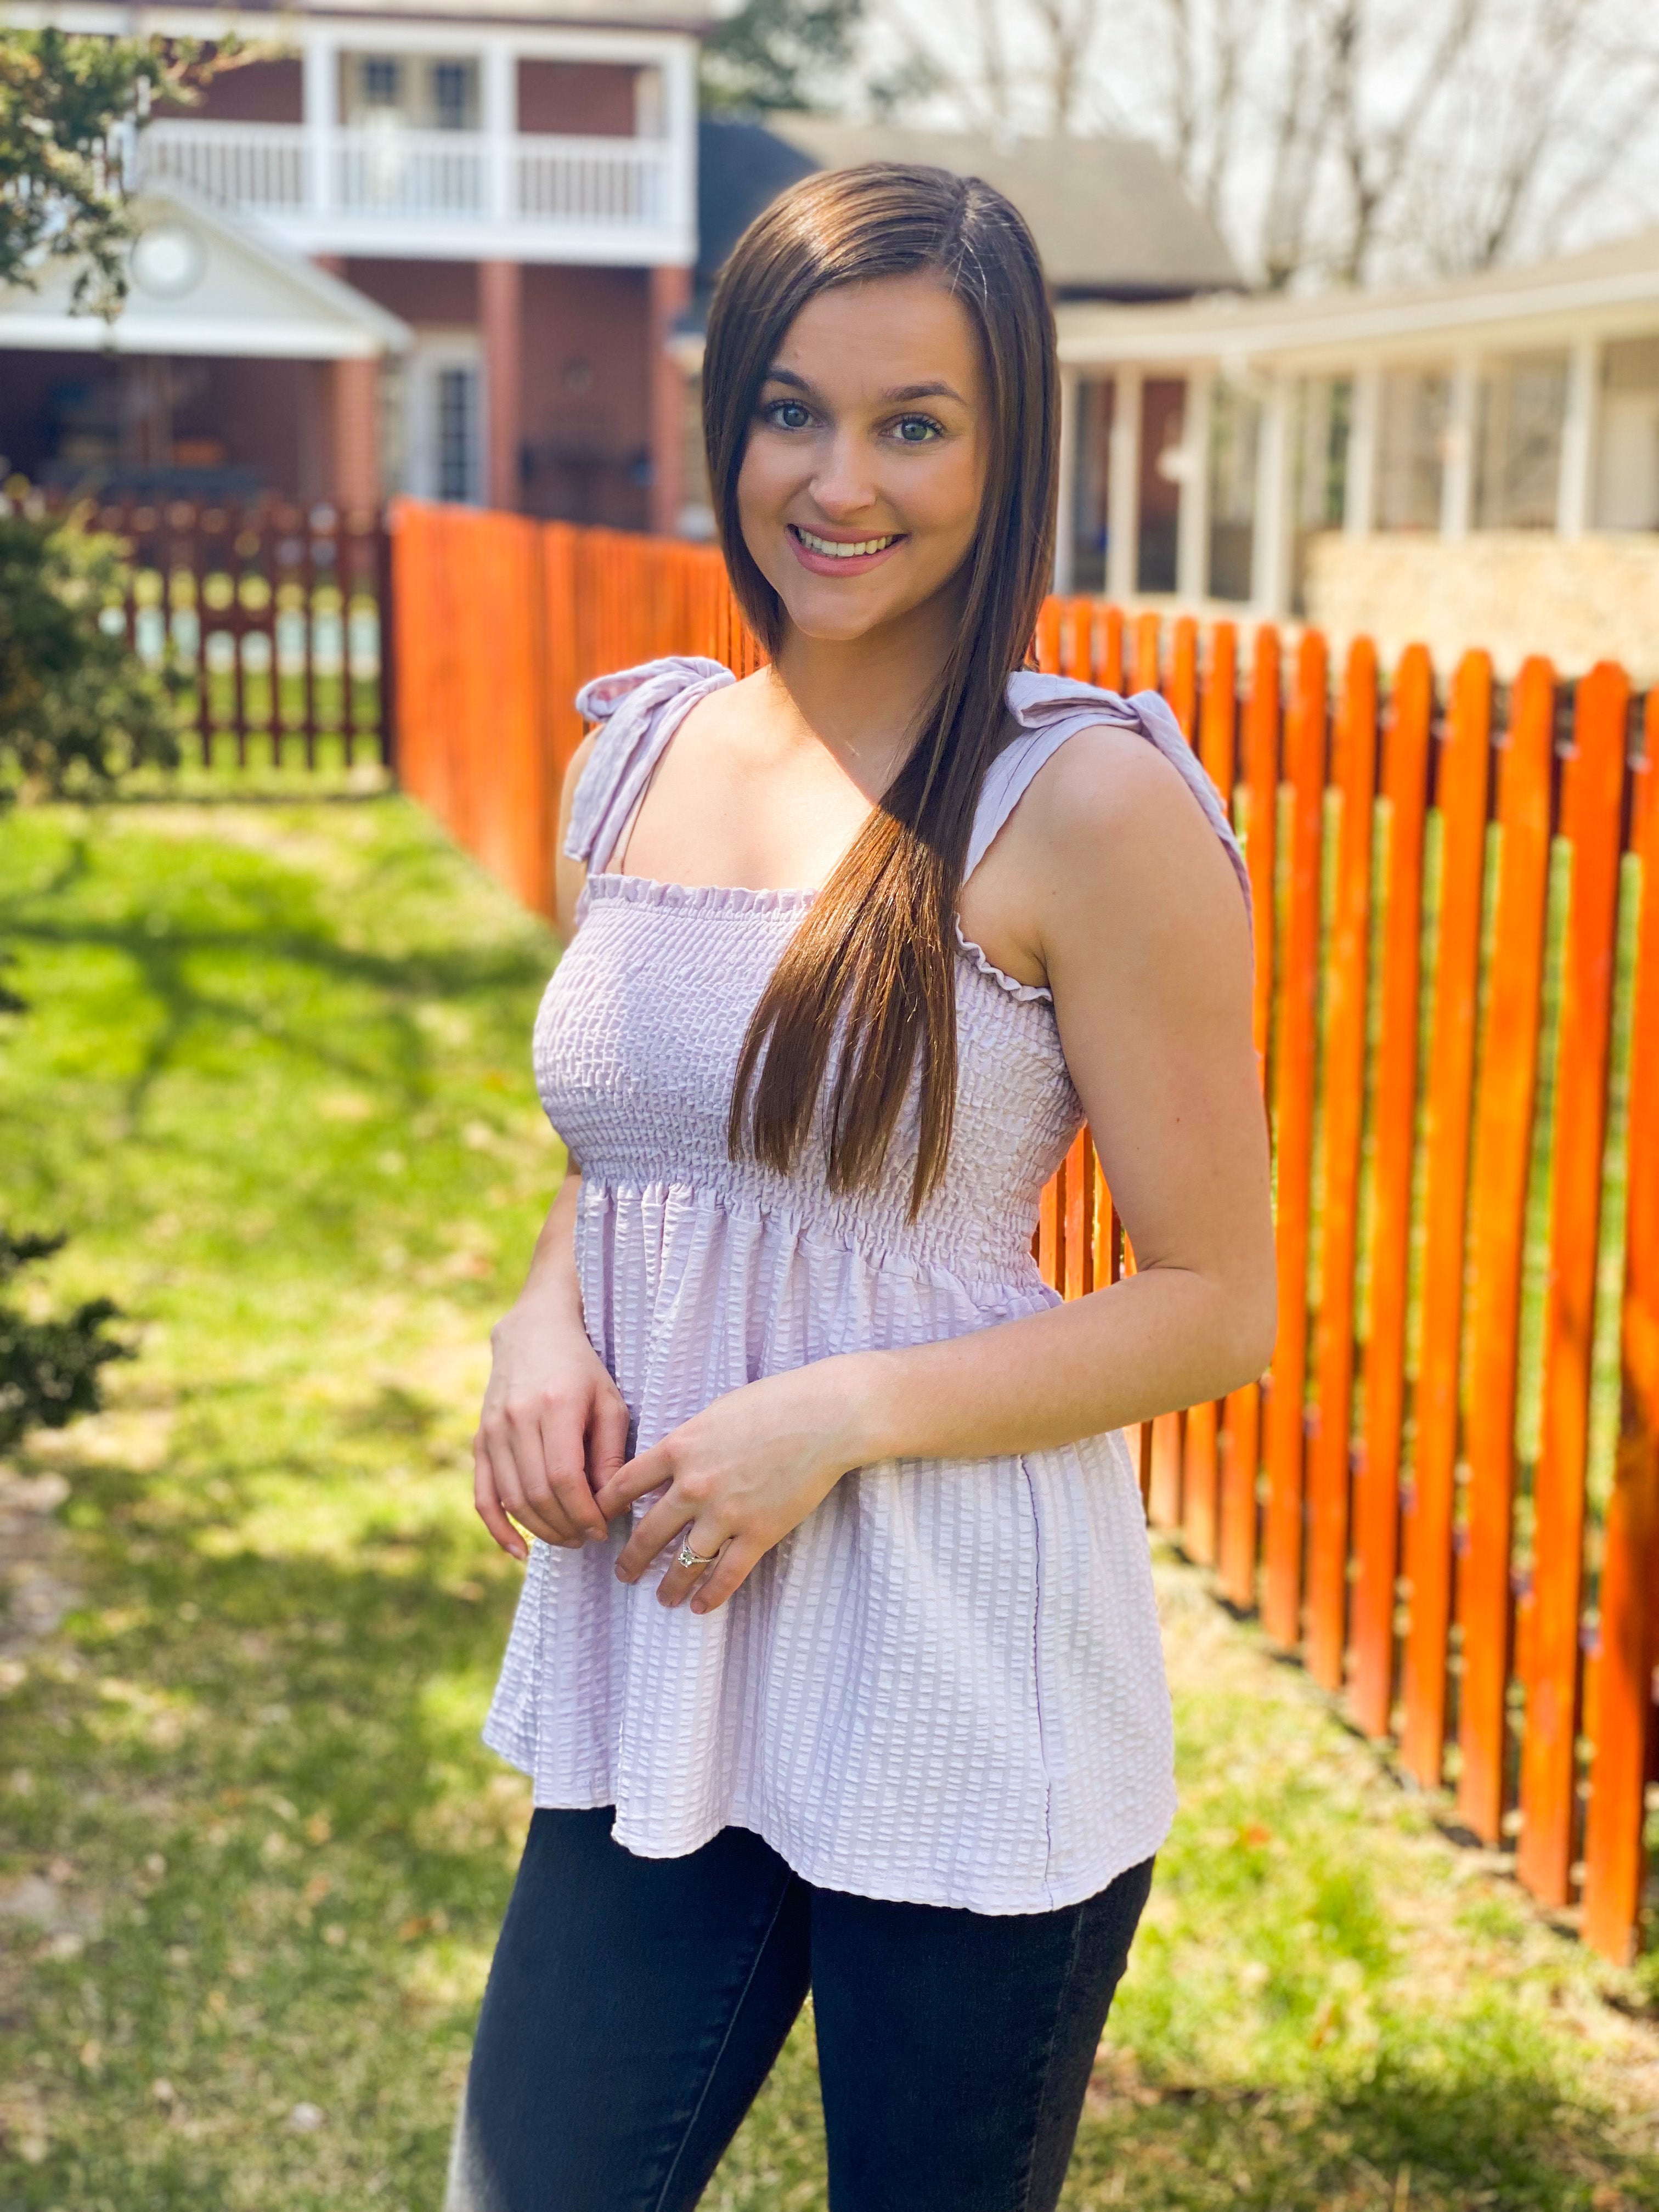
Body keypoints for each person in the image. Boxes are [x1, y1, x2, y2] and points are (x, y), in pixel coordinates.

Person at [449, 162, 1275, 2212]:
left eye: (917, 423)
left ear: (1009, 455)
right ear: (729, 415)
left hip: (959, 1696)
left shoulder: (1080, 801)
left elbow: (1217, 1300)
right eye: (794, 410)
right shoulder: (637, 755)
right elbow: (643, 1152)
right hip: (668, 1672)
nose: (842, 481)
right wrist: (539, 1319)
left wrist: (839, 1415)